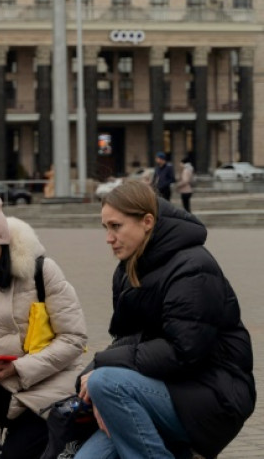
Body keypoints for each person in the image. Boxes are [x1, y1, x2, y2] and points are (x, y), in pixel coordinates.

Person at [75, 181, 255, 459]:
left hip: (213, 396)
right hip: (162, 389)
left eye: (116, 226)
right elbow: (127, 339)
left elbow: (183, 352)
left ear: (147, 221)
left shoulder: (192, 267)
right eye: (105, 228)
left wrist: (102, 372)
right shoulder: (129, 267)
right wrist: (91, 376)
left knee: (105, 382)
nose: (108, 238)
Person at [0, 192, 87, 459]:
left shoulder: (41, 271)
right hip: (4, 387)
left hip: (51, 382)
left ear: (2, 242)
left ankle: (43, 427)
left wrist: (17, 367)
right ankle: (22, 429)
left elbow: (74, 339)